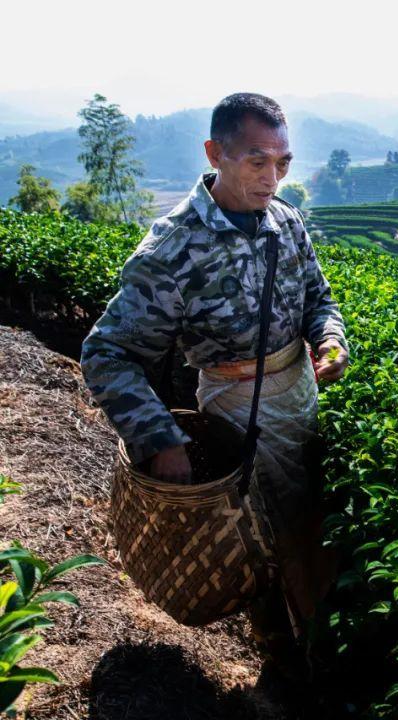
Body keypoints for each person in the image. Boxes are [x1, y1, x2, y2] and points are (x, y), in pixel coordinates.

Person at [80, 92, 348, 674]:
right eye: (257, 162)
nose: (272, 178)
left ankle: (317, 652)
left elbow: (318, 299)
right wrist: (159, 438)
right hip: (235, 409)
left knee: (313, 532)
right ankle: (288, 665)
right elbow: (108, 352)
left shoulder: (286, 221)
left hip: (300, 395)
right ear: (215, 154)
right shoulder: (174, 247)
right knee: (264, 546)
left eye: (283, 163)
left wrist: (329, 338)